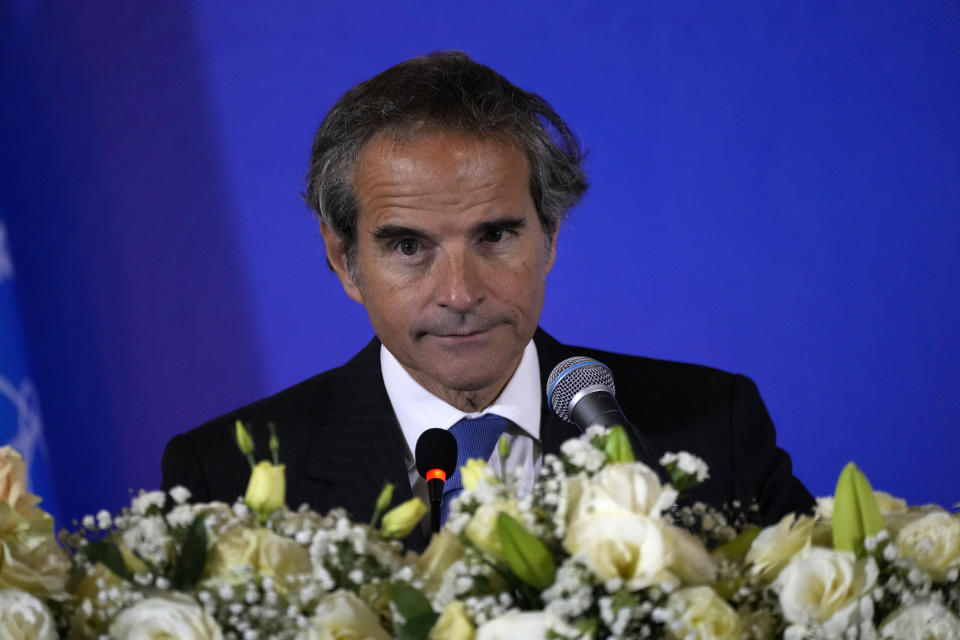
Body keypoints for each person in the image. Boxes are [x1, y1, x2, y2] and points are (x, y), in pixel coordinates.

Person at [161, 51, 812, 551]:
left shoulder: (711, 427)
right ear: (344, 261)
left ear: (551, 235)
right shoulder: (228, 478)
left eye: (496, 235)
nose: (460, 293)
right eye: (409, 246)